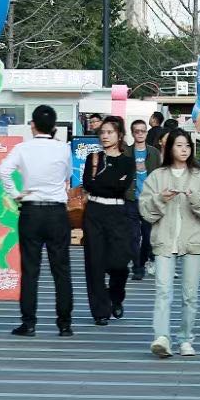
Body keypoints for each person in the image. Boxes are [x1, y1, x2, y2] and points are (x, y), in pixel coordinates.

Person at [140, 128, 200, 358]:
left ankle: (185, 338)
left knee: (190, 295)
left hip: (194, 242)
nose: (184, 150)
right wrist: (160, 199)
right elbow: (145, 211)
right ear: (169, 148)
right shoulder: (157, 176)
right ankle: (162, 338)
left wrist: (195, 198)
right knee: (163, 291)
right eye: (179, 145)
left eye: (187, 146)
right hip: (164, 241)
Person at [0, 105, 73, 337]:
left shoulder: (22, 148)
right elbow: (67, 175)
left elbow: (3, 170)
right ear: (54, 126)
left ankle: (29, 323)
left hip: (31, 211)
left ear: (32, 125)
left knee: (30, 269)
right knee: (61, 269)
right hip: (57, 212)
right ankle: (64, 324)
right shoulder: (63, 148)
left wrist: (15, 193)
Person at [82, 115, 135, 326]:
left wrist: (102, 183)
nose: (105, 136)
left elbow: (121, 187)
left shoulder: (127, 161)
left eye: (110, 132)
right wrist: (108, 183)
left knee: (120, 263)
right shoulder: (93, 158)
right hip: (94, 212)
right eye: (102, 132)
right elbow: (88, 184)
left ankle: (116, 296)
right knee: (94, 263)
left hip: (117, 212)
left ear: (119, 135)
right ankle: (100, 311)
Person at [129, 119, 155, 280]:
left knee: (147, 236)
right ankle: (137, 268)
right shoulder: (126, 152)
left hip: (149, 200)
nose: (140, 134)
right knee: (133, 236)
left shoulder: (154, 153)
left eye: (143, 131)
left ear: (146, 132)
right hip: (130, 199)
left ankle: (142, 261)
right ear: (132, 133)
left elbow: (159, 175)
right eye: (137, 131)